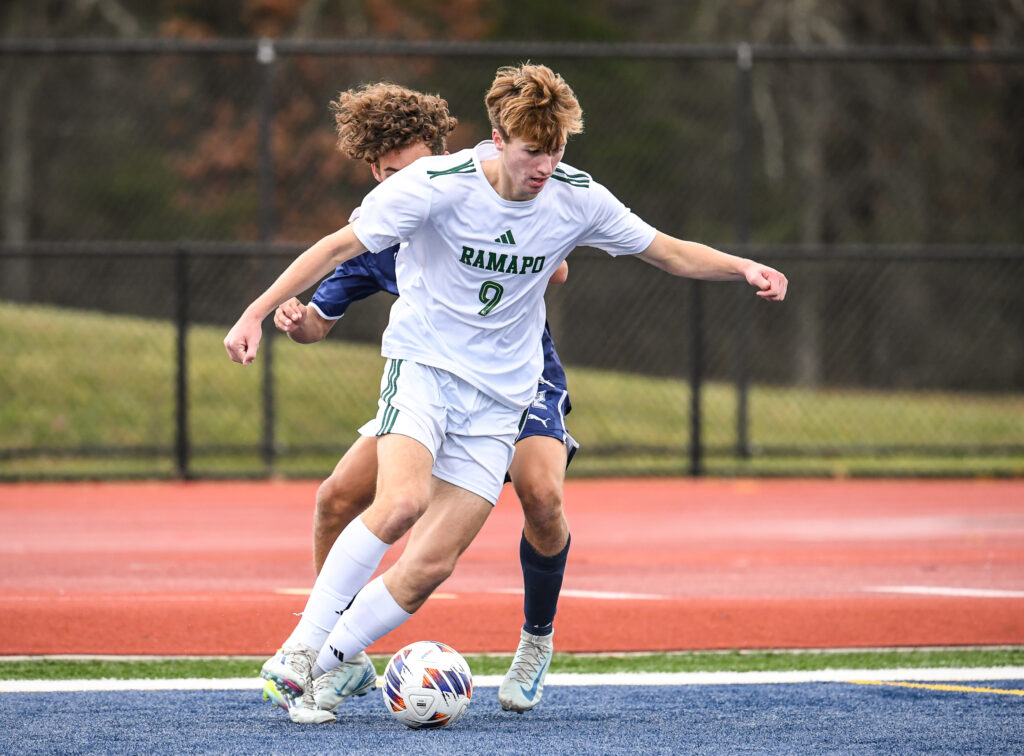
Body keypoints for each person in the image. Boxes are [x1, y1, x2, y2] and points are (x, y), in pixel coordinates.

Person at [224, 62, 787, 725]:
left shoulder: (576, 196)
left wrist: (741, 266)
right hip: (426, 369)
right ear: (497, 139)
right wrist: (256, 312)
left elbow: (665, 251)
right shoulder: (439, 184)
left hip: (501, 399)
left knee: (432, 563)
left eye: (555, 151)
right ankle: (299, 651)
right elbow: (334, 247)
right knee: (398, 500)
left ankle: (323, 669)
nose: (543, 165)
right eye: (530, 152)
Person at [268, 82, 577, 717]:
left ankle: (535, 640)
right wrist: (296, 319)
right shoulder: (381, 231)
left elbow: (556, 257)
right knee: (336, 498)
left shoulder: (474, 187)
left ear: (434, 156)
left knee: (542, 499)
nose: (393, 183)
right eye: (382, 173)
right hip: (437, 378)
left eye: (404, 169)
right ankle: (338, 655)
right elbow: (322, 318)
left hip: (520, 379)